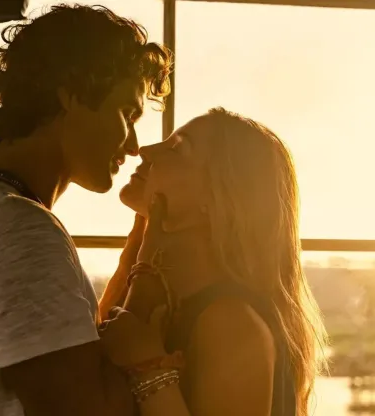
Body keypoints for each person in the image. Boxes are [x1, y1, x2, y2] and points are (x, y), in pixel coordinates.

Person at [0, 4, 172, 416]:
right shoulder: (18, 232)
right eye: (127, 112)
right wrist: (150, 357)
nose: (133, 145)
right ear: (70, 94)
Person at [97, 108, 328, 416]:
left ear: (218, 197)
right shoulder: (166, 300)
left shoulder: (232, 324)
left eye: (177, 148)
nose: (146, 150)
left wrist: (147, 367)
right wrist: (135, 259)